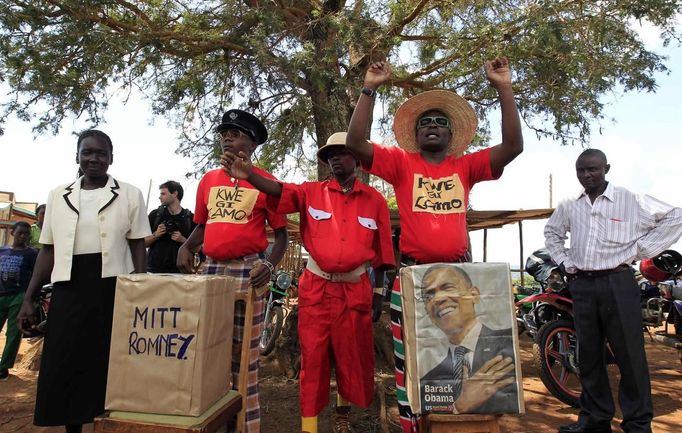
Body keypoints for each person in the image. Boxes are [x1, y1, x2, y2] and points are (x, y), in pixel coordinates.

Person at [346, 57, 523, 431]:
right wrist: (370, 87)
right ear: (416, 134)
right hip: (411, 277)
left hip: (457, 274)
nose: (432, 126)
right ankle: (414, 426)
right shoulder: (400, 164)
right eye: (425, 122)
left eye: (440, 123)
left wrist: (504, 87)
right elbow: (355, 143)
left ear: (450, 136)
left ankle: (460, 422)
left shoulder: (466, 167)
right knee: (411, 359)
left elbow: (512, 146)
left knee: (461, 357)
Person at [223, 132, 396, 433]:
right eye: (330, 155)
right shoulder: (309, 192)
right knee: (313, 359)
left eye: (342, 153)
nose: (335, 159)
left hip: (355, 291)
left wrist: (379, 295)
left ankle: (342, 417)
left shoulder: (375, 201)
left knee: (350, 358)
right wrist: (250, 174)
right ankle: (309, 427)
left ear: (357, 158)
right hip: (316, 288)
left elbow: (382, 253)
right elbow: (278, 191)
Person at [17, 129, 150, 433]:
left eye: (101, 153)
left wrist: (140, 285)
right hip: (69, 286)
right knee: (66, 359)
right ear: (76, 156)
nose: (94, 159)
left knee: (107, 358)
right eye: (87, 152)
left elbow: (137, 243)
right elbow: (48, 249)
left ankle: (107, 422)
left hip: (112, 286)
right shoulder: (57, 195)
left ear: (111, 158)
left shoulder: (129, 193)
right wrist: (29, 296)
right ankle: (72, 426)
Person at [544, 149, 682, 433]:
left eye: (592, 169)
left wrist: (642, 250)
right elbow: (552, 233)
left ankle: (638, 424)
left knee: (629, 355)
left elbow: (675, 216)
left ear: (606, 168)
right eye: (581, 170)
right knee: (588, 356)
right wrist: (565, 262)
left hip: (618, 283)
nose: (586, 175)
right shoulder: (570, 204)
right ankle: (594, 420)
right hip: (581, 285)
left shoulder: (631, 200)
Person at [177, 109, 288, 433]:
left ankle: (243, 427)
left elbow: (280, 236)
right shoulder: (208, 180)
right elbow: (202, 226)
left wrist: (268, 265)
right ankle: (213, 423)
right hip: (210, 272)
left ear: (252, 143)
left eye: (236, 133)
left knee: (244, 360)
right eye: (224, 132)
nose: (227, 136)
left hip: (247, 272)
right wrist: (187, 246)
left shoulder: (267, 182)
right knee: (208, 354)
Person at [417, 265, 517, 414]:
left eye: (448, 287)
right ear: (426, 310)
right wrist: (459, 406)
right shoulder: (429, 381)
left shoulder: (508, 348)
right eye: (429, 296)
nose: (438, 299)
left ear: (474, 295)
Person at [0, 221, 38, 380]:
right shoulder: (2, 250)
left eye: (26, 234)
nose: (23, 236)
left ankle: (3, 368)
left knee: (14, 333)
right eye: (20, 233)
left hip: (19, 295)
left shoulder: (31, 254)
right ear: (12, 233)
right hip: (1, 293)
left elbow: (35, 275)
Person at [145, 180, 196, 273]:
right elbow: (142, 243)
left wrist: (183, 240)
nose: (159, 197)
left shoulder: (190, 218)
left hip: (180, 271)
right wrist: (155, 235)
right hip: (153, 271)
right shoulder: (155, 215)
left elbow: (198, 248)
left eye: (163, 194)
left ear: (175, 194)